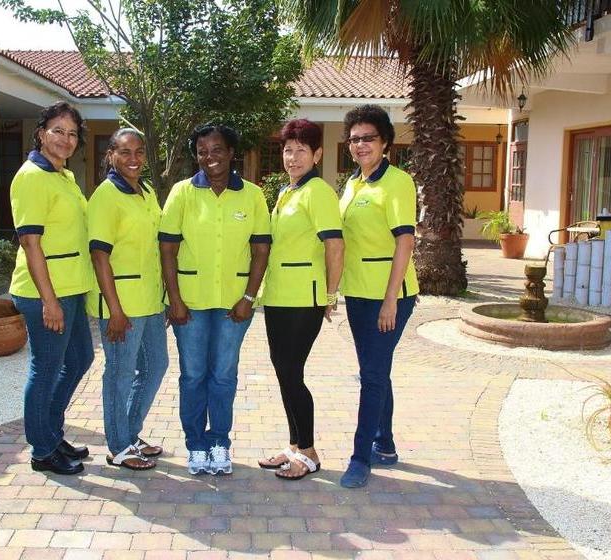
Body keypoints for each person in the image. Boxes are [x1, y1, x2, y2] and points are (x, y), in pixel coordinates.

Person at [159, 124, 271, 476]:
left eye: (217, 149)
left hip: (234, 304)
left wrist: (249, 297)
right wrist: (174, 299)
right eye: (203, 151)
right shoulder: (182, 192)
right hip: (190, 303)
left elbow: (261, 250)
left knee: (223, 374)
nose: (210, 157)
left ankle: (219, 441)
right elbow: (167, 249)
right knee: (193, 375)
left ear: (231, 152)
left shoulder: (252, 195)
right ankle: (195, 444)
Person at [10, 101, 94, 476]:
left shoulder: (64, 176)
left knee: (79, 359)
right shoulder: (31, 177)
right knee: (45, 369)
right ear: (41, 133)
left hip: (71, 286)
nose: (65, 139)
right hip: (45, 292)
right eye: (58, 130)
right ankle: (42, 449)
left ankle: (51, 433)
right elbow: (31, 243)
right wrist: (49, 301)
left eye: (72, 133)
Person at [257, 119, 344, 480]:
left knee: (292, 373)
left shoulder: (318, 192)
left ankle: (308, 451)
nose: (292, 157)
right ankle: (293, 445)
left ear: (317, 154)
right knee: (283, 371)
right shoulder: (287, 192)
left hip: (304, 298)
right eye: (288, 150)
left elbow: (335, 245)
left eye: (301, 150)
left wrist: (330, 294)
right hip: (278, 295)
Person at [337, 104, 418, 489]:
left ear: (385, 141)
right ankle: (384, 444)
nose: (360, 145)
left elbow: (405, 241)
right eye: (354, 139)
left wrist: (390, 301)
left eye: (368, 138)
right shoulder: (353, 183)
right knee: (375, 370)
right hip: (357, 293)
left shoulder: (397, 182)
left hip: (389, 296)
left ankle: (360, 457)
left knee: (371, 375)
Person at [87, 128, 168, 471]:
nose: (133, 159)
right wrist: (115, 311)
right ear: (111, 156)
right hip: (120, 305)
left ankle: (130, 433)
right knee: (119, 374)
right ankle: (118, 446)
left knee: (156, 366)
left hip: (150, 301)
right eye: (124, 152)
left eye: (139, 152)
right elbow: (99, 256)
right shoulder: (106, 196)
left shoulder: (146, 191)